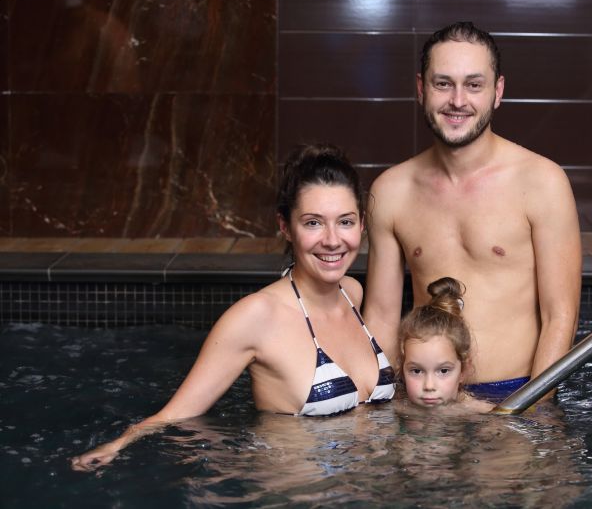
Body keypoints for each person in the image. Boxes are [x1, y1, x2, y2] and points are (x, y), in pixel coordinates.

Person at [71, 144, 395, 471]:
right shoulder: (255, 317)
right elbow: (177, 413)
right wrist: (120, 444)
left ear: (362, 225)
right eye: (313, 223)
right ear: (285, 226)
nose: (332, 240)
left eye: (345, 222)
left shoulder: (352, 293)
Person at [363, 21, 582, 401]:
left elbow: (560, 316)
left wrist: (526, 415)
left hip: (516, 396)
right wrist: (374, 411)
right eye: (443, 83)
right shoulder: (391, 191)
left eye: (474, 84)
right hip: (424, 400)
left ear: (497, 92)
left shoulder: (542, 182)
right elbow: (381, 317)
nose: (458, 100)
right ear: (421, 88)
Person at [398, 277, 492, 413]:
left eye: (443, 371)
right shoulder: (397, 409)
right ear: (402, 371)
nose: (429, 386)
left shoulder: (482, 413)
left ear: (463, 371)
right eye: (416, 371)